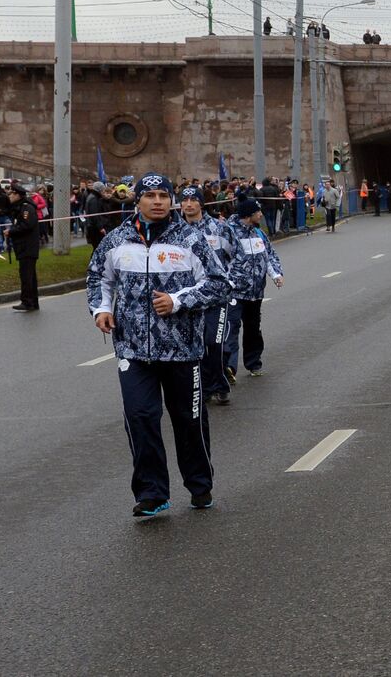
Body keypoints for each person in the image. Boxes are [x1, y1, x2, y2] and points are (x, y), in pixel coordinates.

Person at [86, 173, 228, 516]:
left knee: (188, 421)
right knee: (140, 417)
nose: (158, 201)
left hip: (182, 350)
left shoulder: (191, 240)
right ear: (137, 201)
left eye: (164, 195)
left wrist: (177, 301)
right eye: (149, 195)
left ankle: (199, 485)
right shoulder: (116, 240)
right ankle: (152, 493)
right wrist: (101, 309)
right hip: (132, 349)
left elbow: (219, 284)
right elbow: (97, 278)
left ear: (172, 200)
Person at [177, 186, 234, 406]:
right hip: (189, 300)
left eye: (193, 200)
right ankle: (204, 387)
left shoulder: (218, 228)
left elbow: (235, 256)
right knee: (195, 346)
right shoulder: (176, 231)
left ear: (201, 203)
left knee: (214, 342)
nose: (189, 204)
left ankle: (219, 384)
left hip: (216, 298)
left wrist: (230, 282)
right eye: (185, 200)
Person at [221, 198, 284, 378]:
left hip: (255, 292)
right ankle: (229, 367)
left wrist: (276, 275)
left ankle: (253, 363)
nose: (261, 214)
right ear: (249, 215)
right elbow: (218, 260)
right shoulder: (229, 233)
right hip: (234, 292)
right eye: (258, 212)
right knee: (230, 329)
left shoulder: (258, 233)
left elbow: (269, 255)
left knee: (253, 329)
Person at [5, 183, 40, 312]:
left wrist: (11, 231)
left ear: (17, 195)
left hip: (27, 247)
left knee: (26, 276)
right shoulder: (20, 207)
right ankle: (33, 302)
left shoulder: (26, 208)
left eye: (11, 194)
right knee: (30, 276)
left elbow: (26, 225)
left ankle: (27, 302)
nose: (9, 196)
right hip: (24, 246)